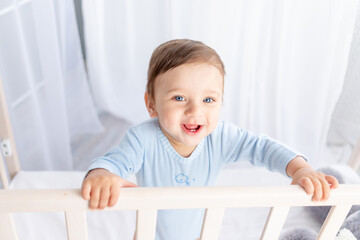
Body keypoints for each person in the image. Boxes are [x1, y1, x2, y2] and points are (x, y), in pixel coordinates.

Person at [81, 39, 339, 240]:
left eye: (208, 100)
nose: (195, 111)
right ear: (151, 104)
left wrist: (300, 168)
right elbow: (116, 162)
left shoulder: (220, 137)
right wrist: (101, 174)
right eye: (179, 98)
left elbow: (263, 147)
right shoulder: (142, 139)